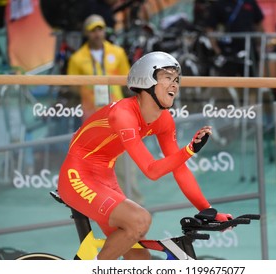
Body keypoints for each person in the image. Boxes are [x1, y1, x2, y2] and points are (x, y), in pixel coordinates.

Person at [57, 51, 233, 260]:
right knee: (139, 220)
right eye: (167, 78)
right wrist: (189, 150)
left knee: (141, 262)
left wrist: (208, 211)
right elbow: (151, 170)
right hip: (77, 175)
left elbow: (179, 169)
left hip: (104, 178)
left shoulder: (164, 120)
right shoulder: (123, 115)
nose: (175, 85)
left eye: (176, 79)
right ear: (147, 81)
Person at [66, 14, 130, 122]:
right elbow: (72, 87)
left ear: (105, 30)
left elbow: (127, 81)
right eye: (93, 30)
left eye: (100, 29)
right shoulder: (76, 58)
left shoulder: (118, 52)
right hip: (91, 113)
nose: (97, 34)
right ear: (86, 33)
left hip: (117, 109)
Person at [203, 0, 265, 77]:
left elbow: (259, 24)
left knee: (251, 79)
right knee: (227, 81)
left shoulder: (250, 2)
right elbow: (210, 28)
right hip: (227, 50)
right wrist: (217, 50)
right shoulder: (219, 4)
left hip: (249, 49)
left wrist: (260, 45)